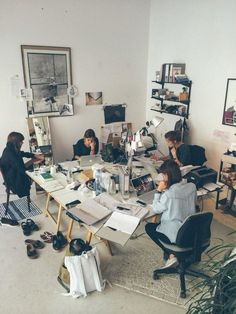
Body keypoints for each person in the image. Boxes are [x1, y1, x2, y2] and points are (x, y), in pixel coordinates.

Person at [145, 159, 197, 268]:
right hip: (190, 230)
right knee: (162, 220)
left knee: (149, 227)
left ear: (167, 175)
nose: (162, 178)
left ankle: (172, 253)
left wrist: (159, 191)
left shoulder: (168, 194)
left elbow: (156, 209)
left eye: (163, 175)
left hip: (176, 234)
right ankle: (177, 253)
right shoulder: (192, 187)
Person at [0, 132, 44, 198]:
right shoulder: (11, 154)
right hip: (16, 182)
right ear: (16, 142)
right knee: (37, 169)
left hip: (12, 177)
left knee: (35, 165)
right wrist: (33, 162)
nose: (22, 143)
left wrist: (34, 155)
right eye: (21, 141)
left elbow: (22, 153)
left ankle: (40, 184)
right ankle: (43, 185)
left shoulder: (8, 150)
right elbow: (22, 169)